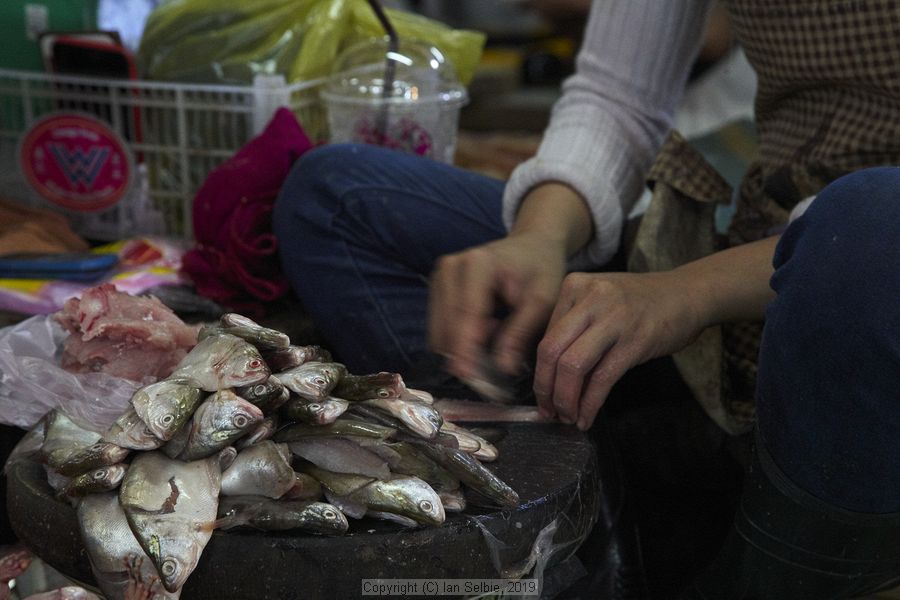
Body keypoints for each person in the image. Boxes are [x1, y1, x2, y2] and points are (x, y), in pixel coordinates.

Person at [274, 1, 900, 597]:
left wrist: (687, 293)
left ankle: (765, 576)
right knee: (334, 195)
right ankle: (578, 533)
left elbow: (865, 234)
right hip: (762, 239)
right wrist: (539, 238)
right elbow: (618, 95)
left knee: (867, 231)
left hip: (863, 271)